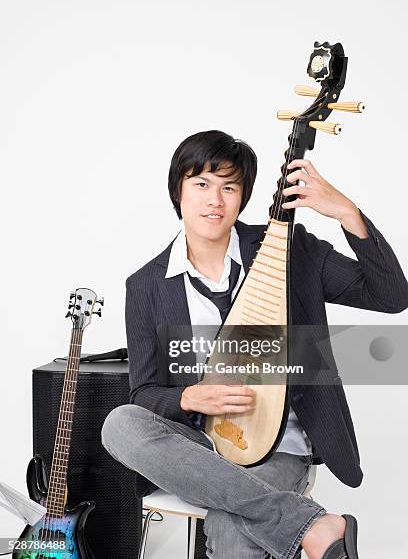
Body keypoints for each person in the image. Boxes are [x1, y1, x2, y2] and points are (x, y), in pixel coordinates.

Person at [101, 130, 408, 559]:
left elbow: (391, 296)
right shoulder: (147, 286)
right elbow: (145, 394)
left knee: (231, 532)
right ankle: (315, 526)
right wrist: (191, 397)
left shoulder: (288, 250)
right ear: (178, 190)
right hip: (199, 448)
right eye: (202, 184)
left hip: (280, 446)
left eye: (230, 187)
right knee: (119, 423)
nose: (215, 200)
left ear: (243, 197)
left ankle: (288, 519)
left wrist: (345, 211)